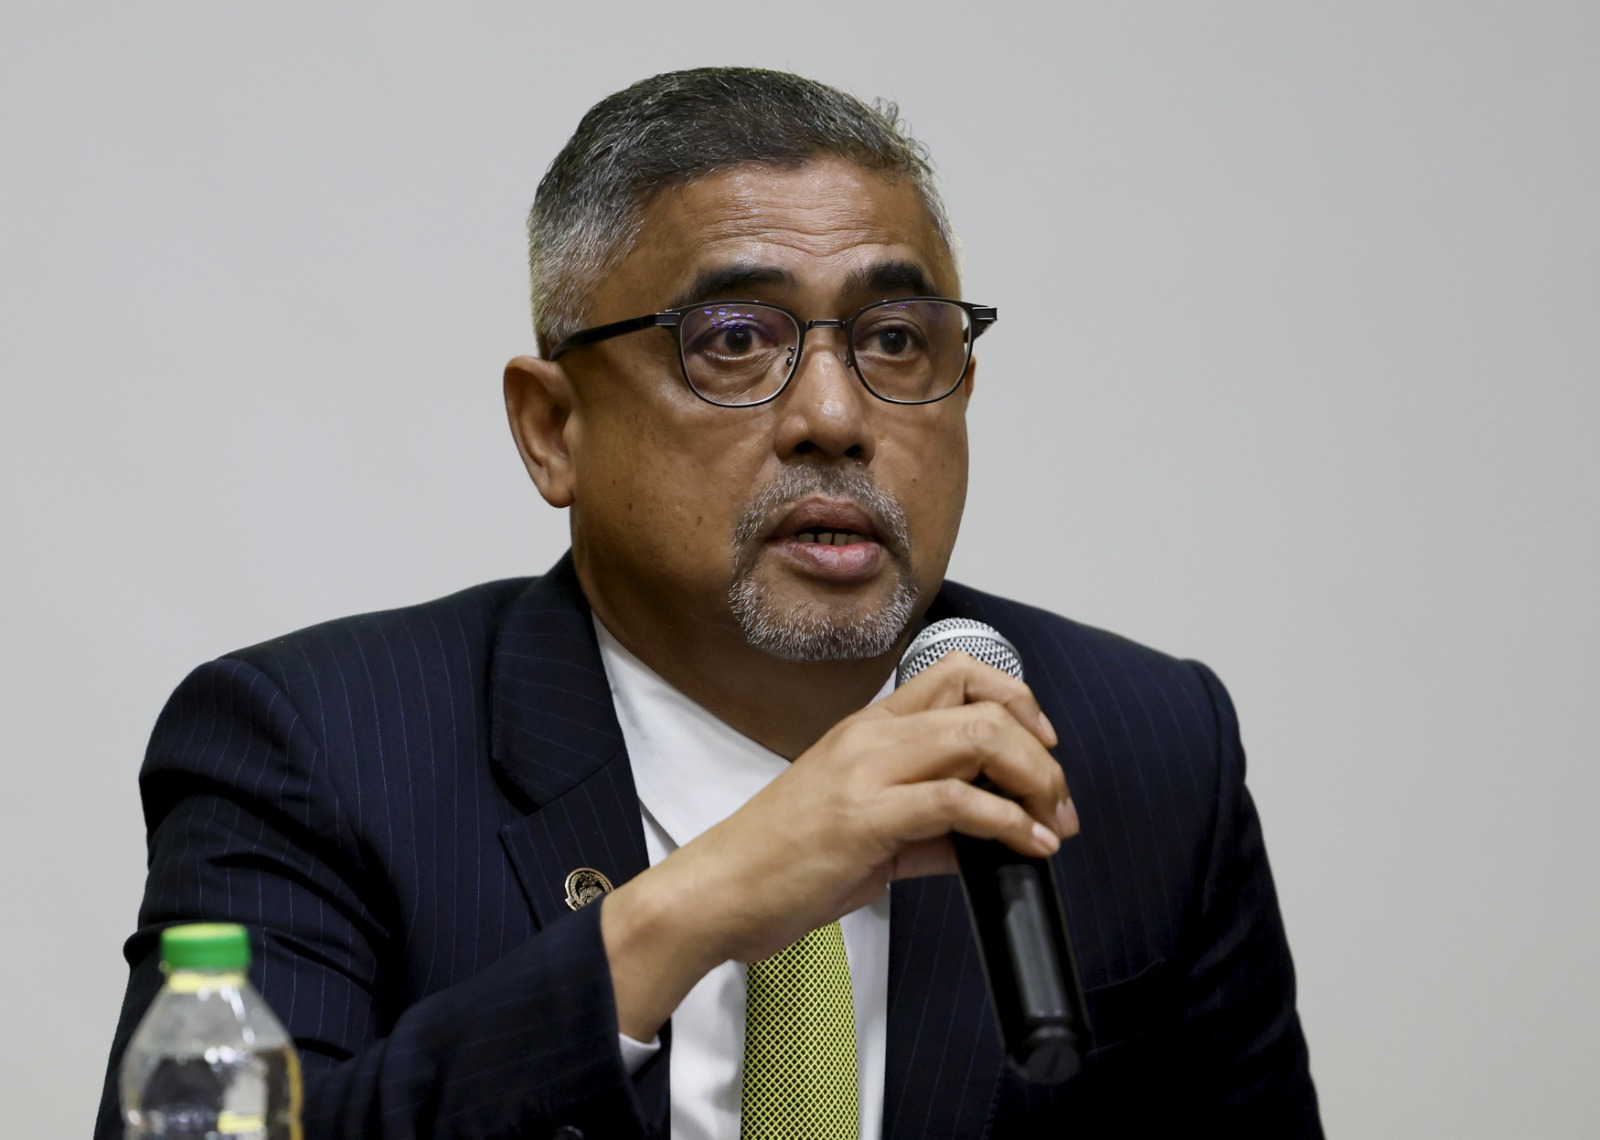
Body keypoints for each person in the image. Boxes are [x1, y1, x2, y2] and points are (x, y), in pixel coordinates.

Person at [96, 67, 1321, 1138]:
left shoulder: (1148, 749)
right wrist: (694, 908)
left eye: (897, 340)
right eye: (733, 340)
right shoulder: (317, 748)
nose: (835, 416)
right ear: (553, 428)